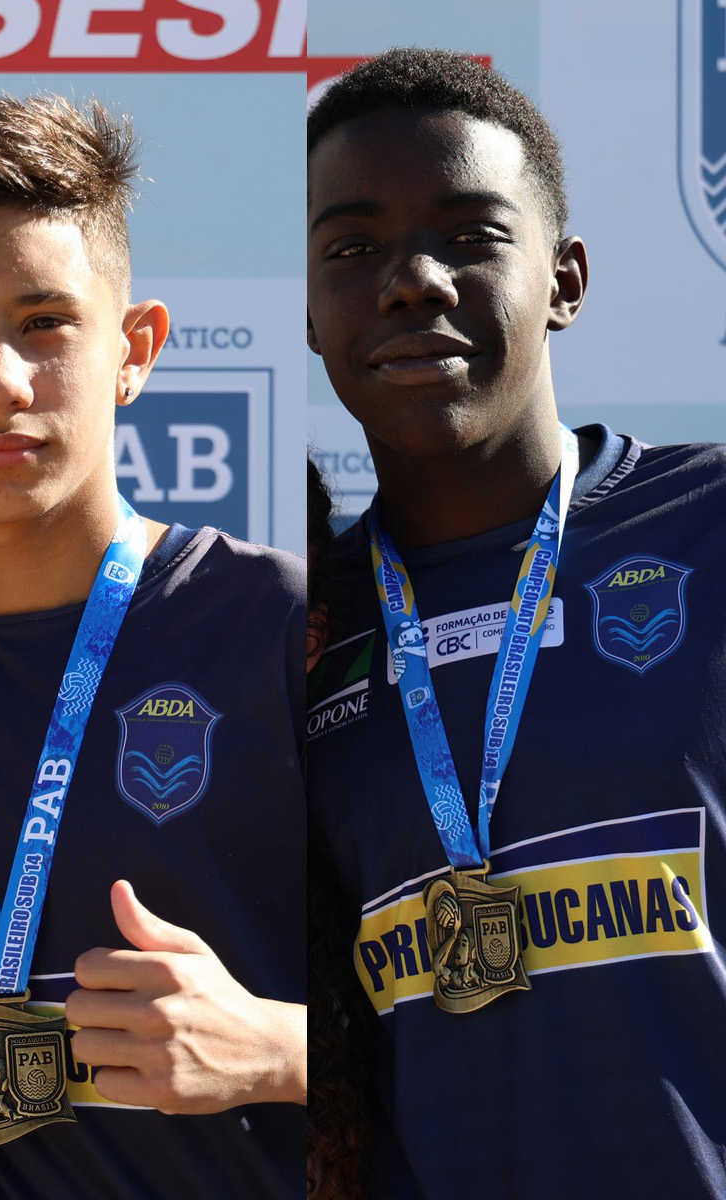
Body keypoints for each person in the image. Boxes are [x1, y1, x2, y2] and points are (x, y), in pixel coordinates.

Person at [0, 96, 306, 1198]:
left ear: (133, 350)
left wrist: (284, 1051)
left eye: (44, 322)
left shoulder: (286, 625)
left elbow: (499, 1013)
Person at [305, 48, 726, 1196]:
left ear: (564, 279)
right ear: (307, 309)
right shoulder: (294, 626)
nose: (410, 280)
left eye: (469, 235)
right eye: (351, 250)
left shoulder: (710, 524)